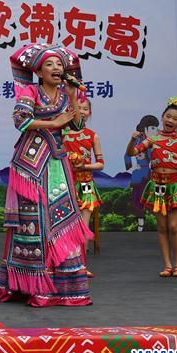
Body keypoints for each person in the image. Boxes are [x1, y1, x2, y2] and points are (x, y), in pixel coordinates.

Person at [0, 43, 92, 307]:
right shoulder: (30, 91)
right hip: (31, 165)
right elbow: (21, 121)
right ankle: (34, 285)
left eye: (60, 64)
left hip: (57, 163)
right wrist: (53, 123)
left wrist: (72, 95)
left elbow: (79, 124)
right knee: (35, 222)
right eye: (50, 64)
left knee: (61, 217)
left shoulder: (64, 93)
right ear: (38, 70)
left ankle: (65, 287)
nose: (57, 68)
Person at [126, 97, 177, 278]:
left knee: (174, 227)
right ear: (163, 116)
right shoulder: (153, 139)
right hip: (157, 185)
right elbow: (132, 153)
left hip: (175, 186)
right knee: (162, 227)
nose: (170, 120)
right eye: (168, 116)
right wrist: (131, 140)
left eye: (174, 118)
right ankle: (167, 265)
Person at [62, 99, 104, 277]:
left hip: (86, 185)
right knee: (65, 226)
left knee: (83, 227)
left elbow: (100, 164)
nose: (82, 111)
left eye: (85, 108)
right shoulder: (62, 134)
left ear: (90, 113)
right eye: (78, 108)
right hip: (66, 185)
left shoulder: (92, 135)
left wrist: (84, 167)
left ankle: (81, 264)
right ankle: (65, 262)